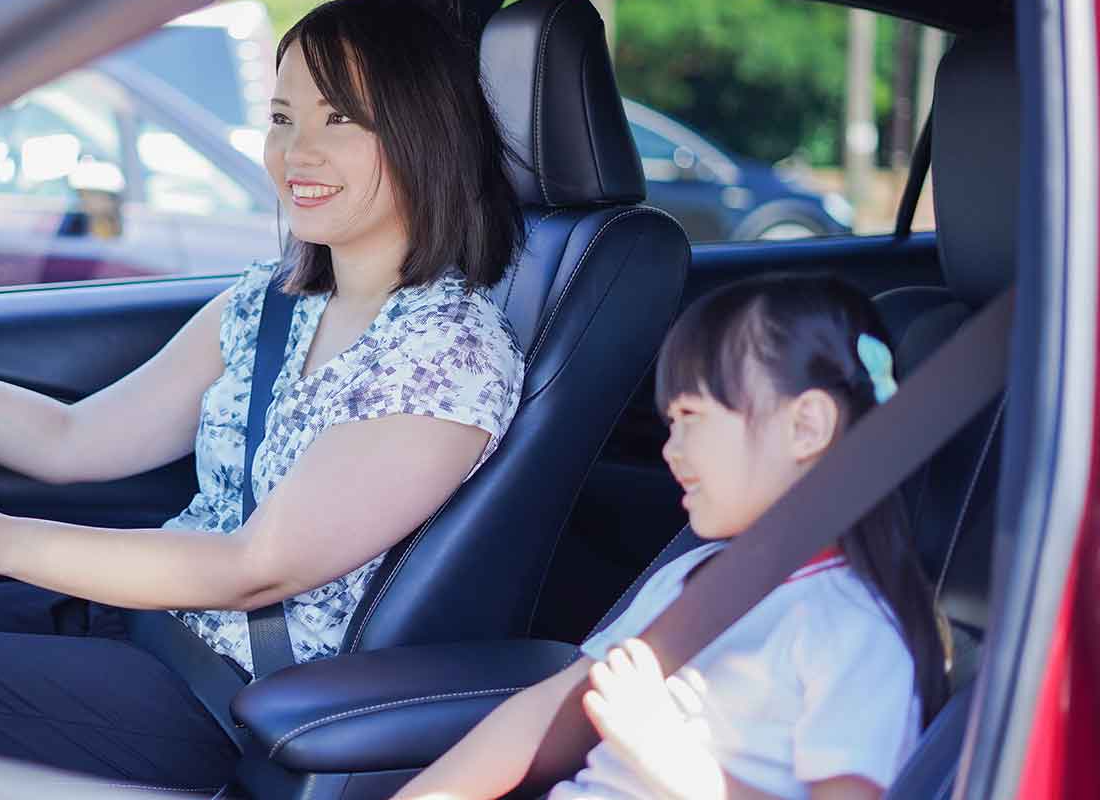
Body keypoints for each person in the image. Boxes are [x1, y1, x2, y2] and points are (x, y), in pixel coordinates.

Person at [0, 0, 526, 787]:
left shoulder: (449, 349)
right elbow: (72, 440)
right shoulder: (270, 303)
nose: (296, 152)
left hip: (238, 703)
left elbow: (255, 567)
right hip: (150, 626)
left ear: (423, 134)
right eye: (280, 118)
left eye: (340, 119)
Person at [398, 275, 948, 800]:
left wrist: (670, 759)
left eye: (692, 416)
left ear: (805, 427)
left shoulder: (852, 627)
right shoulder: (696, 577)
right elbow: (542, 715)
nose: (670, 447)